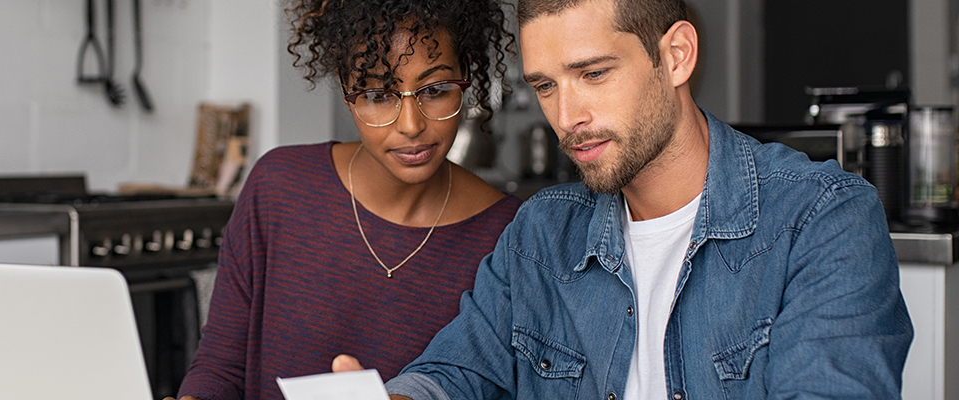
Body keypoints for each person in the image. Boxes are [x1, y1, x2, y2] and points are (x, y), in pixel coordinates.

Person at [333, 0, 915, 398]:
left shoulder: (822, 220)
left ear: (676, 56)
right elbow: (456, 371)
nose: (566, 118)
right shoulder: (540, 234)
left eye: (593, 74)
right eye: (545, 85)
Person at [170, 1, 520, 399]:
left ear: (466, 77)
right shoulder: (278, 188)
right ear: (346, 91)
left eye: (436, 90)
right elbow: (220, 366)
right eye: (377, 94)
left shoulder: (510, 235)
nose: (411, 125)